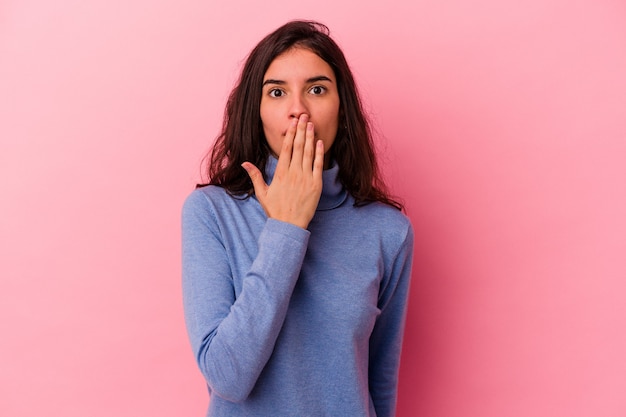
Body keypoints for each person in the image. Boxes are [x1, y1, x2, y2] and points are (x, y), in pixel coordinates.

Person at [182, 20, 414, 417]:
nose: (298, 110)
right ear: (255, 111)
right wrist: (287, 230)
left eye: (317, 89)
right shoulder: (212, 213)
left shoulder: (387, 231)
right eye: (277, 92)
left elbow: (379, 382)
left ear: (343, 107)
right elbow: (227, 376)